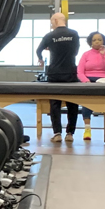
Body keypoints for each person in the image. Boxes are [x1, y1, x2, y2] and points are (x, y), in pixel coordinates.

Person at [35, 13, 80, 143]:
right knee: (73, 103)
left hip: (55, 74)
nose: (51, 25)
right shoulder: (74, 34)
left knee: (55, 104)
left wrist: (41, 59)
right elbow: (76, 52)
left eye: (51, 22)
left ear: (55, 20)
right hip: (71, 72)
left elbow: (38, 50)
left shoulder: (50, 36)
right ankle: (70, 133)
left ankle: (57, 133)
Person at [76, 31, 105, 141]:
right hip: (89, 80)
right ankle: (87, 129)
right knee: (87, 100)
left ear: (103, 41)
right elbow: (80, 71)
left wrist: (104, 56)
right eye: (94, 40)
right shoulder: (86, 54)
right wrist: (86, 81)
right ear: (90, 42)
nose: (97, 42)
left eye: (99, 39)